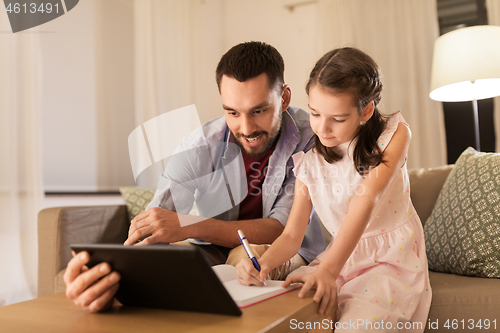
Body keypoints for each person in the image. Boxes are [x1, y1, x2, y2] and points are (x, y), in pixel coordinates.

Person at [64, 41, 326, 313]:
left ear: (284, 98)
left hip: (284, 249)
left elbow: (280, 228)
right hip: (211, 248)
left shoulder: (312, 137)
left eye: (258, 111)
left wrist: (190, 225)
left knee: (246, 258)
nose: (246, 128)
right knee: (170, 262)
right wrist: (112, 274)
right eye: (232, 112)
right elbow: (157, 222)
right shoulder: (199, 145)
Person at [237, 47, 432, 331]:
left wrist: (329, 271)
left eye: (337, 119)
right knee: (289, 317)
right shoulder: (310, 163)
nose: (322, 128)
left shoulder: (393, 135)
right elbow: (292, 234)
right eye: (315, 114)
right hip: (338, 257)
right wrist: (262, 265)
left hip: (389, 260)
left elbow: (366, 200)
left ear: (366, 110)